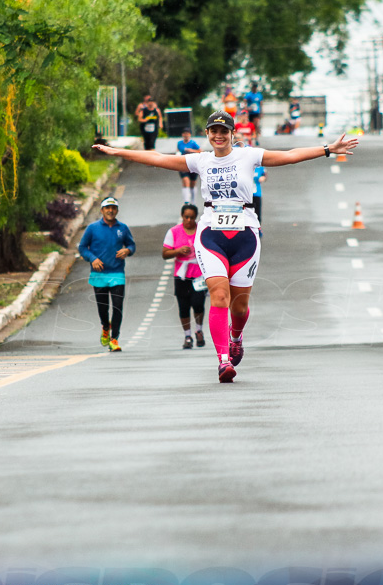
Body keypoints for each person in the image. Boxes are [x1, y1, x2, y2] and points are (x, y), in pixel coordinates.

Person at [93, 111, 358, 382]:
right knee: (219, 296)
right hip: (211, 233)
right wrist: (117, 153)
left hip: (245, 234)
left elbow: (289, 155)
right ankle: (223, 361)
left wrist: (327, 149)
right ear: (207, 135)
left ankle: (236, 336)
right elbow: (158, 158)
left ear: (232, 134)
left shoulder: (249, 155)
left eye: (224, 131)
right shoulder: (201, 160)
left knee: (239, 307)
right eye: (213, 131)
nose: (218, 136)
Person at [77, 197, 136, 352]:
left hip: (117, 273)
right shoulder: (92, 228)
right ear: (102, 210)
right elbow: (83, 248)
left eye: (113, 208)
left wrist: (127, 250)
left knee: (117, 307)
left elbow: (131, 245)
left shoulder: (122, 228)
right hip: (99, 275)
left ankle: (114, 338)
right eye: (107, 208)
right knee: (103, 308)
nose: (110, 210)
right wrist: (93, 258)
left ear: (117, 210)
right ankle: (105, 326)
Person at [162, 204, 207, 349]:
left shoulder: (201, 231)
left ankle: (199, 330)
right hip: (181, 275)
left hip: (199, 274)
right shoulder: (174, 232)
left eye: (192, 217)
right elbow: (165, 253)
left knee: (198, 303)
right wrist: (178, 251)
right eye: (186, 217)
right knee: (184, 307)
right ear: (182, 217)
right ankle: (187, 335)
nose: (189, 220)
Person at [176, 129, 201, 205]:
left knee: (192, 183)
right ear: (182, 135)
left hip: (193, 165)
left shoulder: (193, 143)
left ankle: (193, 201)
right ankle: (186, 201)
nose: (186, 135)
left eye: (187, 134)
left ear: (189, 135)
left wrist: (191, 150)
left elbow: (200, 151)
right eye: (184, 134)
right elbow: (177, 151)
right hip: (183, 164)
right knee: (186, 181)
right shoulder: (179, 143)